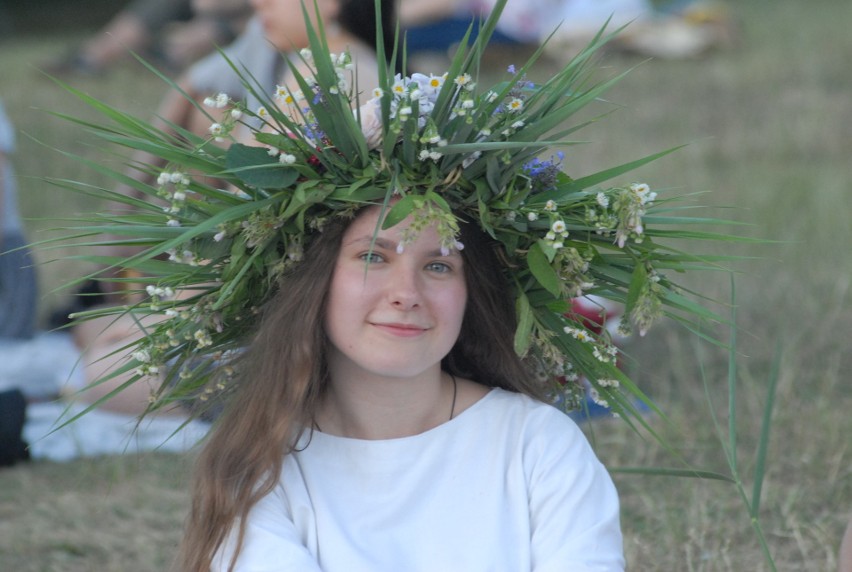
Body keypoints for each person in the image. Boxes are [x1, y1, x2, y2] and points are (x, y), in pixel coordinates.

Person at [45, 0, 253, 76]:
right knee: (157, 5)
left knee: (218, 26)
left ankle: (167, 52)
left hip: (245, 18)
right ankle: (91, 57)